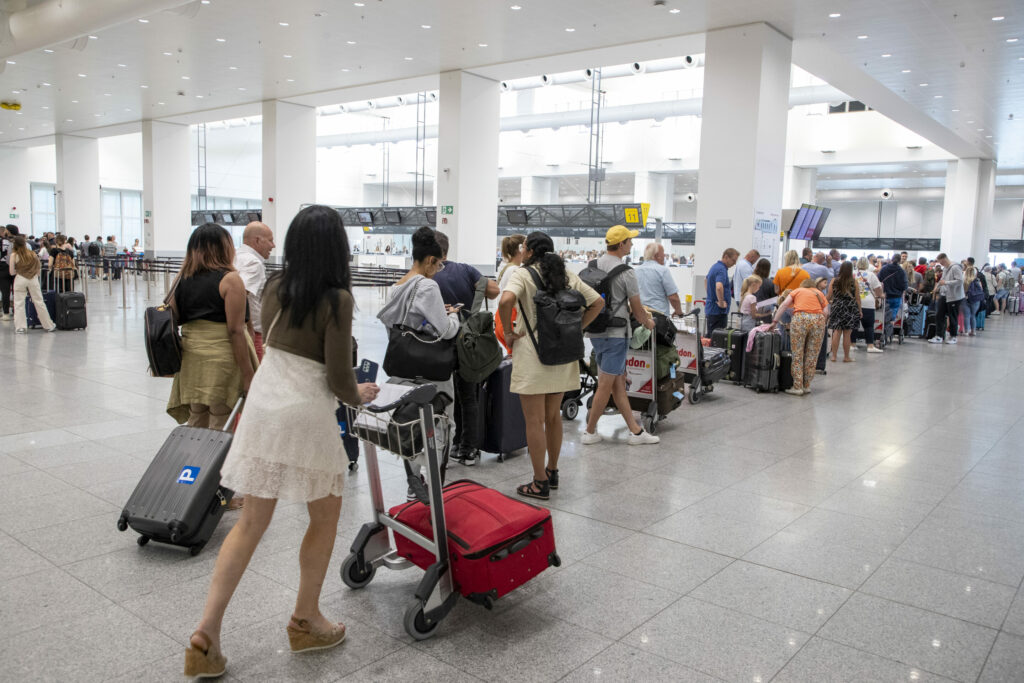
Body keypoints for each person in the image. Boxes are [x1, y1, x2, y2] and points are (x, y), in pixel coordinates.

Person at [185, 206, 379, 680]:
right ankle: (306, 618)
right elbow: (336, 378)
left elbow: (271, 345)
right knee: (325, 514)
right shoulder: (337, 299)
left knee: (250, 522)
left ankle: (205, 634)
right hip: (304, 412)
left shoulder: (275, 287)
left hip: (264, 406)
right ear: (337, 247)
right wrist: (361, 392)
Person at [498, 232, 603, 500]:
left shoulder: (521, 275)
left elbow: (506, 300)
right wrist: (577, 329)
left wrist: (509, 333)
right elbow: (597, 302)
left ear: (528, 250)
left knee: (533, 420)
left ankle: (539, 482)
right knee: (553, 416)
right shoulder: (565, 274)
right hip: (563, 355)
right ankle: (552, 472)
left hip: (533, 356)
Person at [166, 223, 258, 429]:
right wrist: (248, 373)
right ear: (224, 248)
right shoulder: (230, 279)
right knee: (221, 420)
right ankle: (217, 462)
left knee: (196, 417)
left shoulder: (181, 279)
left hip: (191, 358)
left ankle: (196, 461)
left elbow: (173, 317)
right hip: (221, 359)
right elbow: (235, 330)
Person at [582, 226, 659, 446]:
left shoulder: (593, 266)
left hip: (596, 332)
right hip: (617, 334)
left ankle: (635, 431)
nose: (632, 245)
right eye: (629, 241)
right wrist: (649, 322)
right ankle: (589, 431)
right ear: (622, 244)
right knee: (606, 384)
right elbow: (636, 309)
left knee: (617, 383)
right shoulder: (626, 272)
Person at [431, 230, 500, 467]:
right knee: (468, 394)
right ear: (447, 250)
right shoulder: (465, 269)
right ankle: (469, 448)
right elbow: (494, 290)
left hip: (441, 343)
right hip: (468, 341)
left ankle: (456, 443)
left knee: (448, 396)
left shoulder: (429, 276)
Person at [769, 280, 828, 396]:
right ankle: (806, 386)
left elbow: (784, 305)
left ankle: (797, 386)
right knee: (812, 355)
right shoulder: (819, 293)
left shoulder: (797, 291)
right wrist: (821, 322)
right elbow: (826, 311)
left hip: (800, 319)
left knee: (797, 353)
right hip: (818, 320)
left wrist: (775, 321)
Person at [233, 221, 276, 360]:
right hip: (252, 333)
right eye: (270, 240)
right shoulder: (253, 263)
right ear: (257, 240)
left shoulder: (234, 257)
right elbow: (239, 295)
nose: (273, 245)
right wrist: (249, 328)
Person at [7, 235, 56, 333]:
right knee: (39, 301)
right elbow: (38, 268)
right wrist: (33, 274)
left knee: (19, 303)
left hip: (20, 278)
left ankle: (21, 327)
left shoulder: (14, 255)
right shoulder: (33, 254)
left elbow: (12, 272)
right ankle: (48, 325)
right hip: (33, 279)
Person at [636, 242, 684, 317]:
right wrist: (679, 312)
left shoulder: (635, 271)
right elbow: (673, 298)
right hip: (658, 317)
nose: (664, 256)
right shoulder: (663, 271)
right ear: (657, 255)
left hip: (640, 316)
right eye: (663, 253)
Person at [827, 261, 861, 362]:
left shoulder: (834, 281)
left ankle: (834, 356)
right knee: (847, 334)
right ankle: (846, 357)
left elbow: (829, 296)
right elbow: (857, 298)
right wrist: (860, 310)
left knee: (836, 332)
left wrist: (829, 303)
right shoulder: (854, 282)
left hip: (837, 308)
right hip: (850, 308)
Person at [930, 253, 963, 345]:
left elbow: (960, 281)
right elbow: (942, 281)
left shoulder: (955, 267)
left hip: (954, 296)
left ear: (944, 259)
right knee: (939, 315)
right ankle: (939, 336)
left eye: (940, 262)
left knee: (952, 317)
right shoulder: (945, 269)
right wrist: (937, 288)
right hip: (944, 294)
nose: (940, 264)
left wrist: (947, 283)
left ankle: (953, 336)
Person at [705, 247, 739, 336]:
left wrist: (710, 294)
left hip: (712, 310)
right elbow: (719, 287)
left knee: (711, 337)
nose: (734, 263)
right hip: (718, 312)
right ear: (726, 257)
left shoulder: (715, 267)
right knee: (717, 340)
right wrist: (721, 302)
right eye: (733, 260)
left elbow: (706, 279)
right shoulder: (721, 269)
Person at [854, 258, 884, 354]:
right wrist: (882, 295)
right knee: (868, 326)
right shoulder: (871, 275)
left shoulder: (853, 274)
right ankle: (870, 346)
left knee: (854, 325)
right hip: (868, 303)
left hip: (854, 302)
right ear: (867, 265)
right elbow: (878, 290)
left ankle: (852, 344)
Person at [0, 225, 16, 321]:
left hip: (3, 268)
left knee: (5, 292)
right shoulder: (18, 241)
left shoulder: (2, 241)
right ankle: (16, 312)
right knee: (16, 291)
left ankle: (6, 313)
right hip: (15, 267)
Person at [962, 265, 984, 337]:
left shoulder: (963, 280)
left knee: (966, 316)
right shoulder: (977, 280)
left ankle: (966, 331)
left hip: (965, 299)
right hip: (975, 299)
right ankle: (973, 331)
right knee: (973, 315)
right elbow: (981, 290)